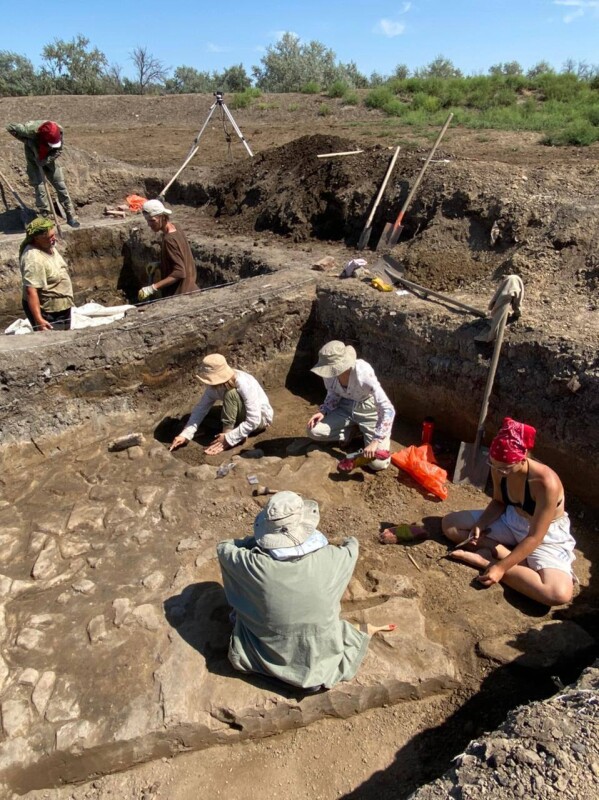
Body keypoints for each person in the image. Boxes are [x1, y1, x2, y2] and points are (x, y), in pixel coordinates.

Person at [217, 491, 393, 691]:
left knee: (245, 607)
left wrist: (256, 542)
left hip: (261, 658)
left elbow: (225, 547)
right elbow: (351, 544)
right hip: (321, 663)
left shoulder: (253, 564)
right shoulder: (335, 557)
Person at [441, 417, 576, 606]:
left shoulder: (546, 483)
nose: (499, 471)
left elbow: (535, 537)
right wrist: (481, 524)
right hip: (512, 519)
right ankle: (512, 560)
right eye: (494, 465)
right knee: (451, 525)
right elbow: (499, 502)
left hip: (545, 535)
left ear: (523, 459)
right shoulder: (500, 467)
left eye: (505, 468)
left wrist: (500, 568)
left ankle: (487, 560)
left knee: (557, 594)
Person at [306, 340, 395, 470]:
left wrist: (376, 441)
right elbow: (333, 393)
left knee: (378, 464)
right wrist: (323, 411)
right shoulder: (329, 375)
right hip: (344, 407)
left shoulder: (363, 373)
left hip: (368, 408)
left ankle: (365, 434)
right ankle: (353, 432)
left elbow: (387, 409)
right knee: (313, 430)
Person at [170, 354, 273, 455]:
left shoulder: (243, 383)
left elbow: (254, 419)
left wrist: (229, 438)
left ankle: (228, 433)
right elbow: (201, 409)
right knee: (195, 416)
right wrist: (186, 434)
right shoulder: (213, 388)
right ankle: (238, 431)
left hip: (261, 419)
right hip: (238, 412)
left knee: (231, 394)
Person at [6, 120, 79, 227]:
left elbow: (58, 150)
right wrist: (27, 141)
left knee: (60, 186)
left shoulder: (59, 131)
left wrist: (46, 160)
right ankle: (45, 216)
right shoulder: (29, 130)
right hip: (33, 158)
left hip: (49, 158)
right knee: (40, 187)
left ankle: (70, 215)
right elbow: (10, 127)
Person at [19, 217, 74, 331]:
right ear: (37, 239)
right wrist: (39, 320)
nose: (54, 239)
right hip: (48, 311)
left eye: (53, 235)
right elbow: (31, 291)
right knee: (55, 341)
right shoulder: (33, 259)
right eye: (50, 237)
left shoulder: (48, 246)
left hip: (61, 307)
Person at [137, 199, 197, 301]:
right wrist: (161, 264)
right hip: (190, 288)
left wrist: (152, 288)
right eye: (147, 221)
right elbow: (181, 258)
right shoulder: (176, 228)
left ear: (163, 217)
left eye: (152, 221)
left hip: (181, 295)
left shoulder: (169, 239)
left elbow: (179, 272)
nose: (149, 224)